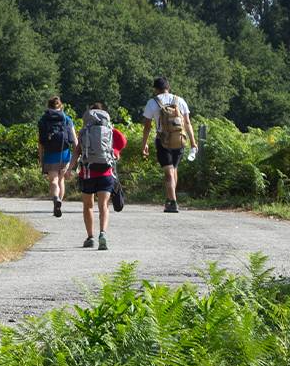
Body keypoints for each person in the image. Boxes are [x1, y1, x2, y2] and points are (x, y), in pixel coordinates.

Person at [67, 103, 126, 250]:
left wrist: (69, 168)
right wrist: (115, 152)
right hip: (106, 172)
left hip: (87, 173)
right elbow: (123, 142)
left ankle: (90, 237)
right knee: (103, 206)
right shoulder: (111, 130)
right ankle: (103, 234)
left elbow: (77, 152)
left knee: (88, 206)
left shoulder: (84, 132)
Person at [140, 76, 198, 213]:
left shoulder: (152, 103)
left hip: (163, 141)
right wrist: (193, 143)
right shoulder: (180, 101)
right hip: (179, 140)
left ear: (155, 89)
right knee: (174, 169)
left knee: (168, 172)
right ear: (168, 87)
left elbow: (147, 126)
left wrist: (144, 145)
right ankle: (169, 198)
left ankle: (173, 202)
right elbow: (187, 123)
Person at [37, 96, 76, 217]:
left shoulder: (43, 120)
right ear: (61, 106)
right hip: (64, 152)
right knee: (61, 179)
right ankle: (60, 202)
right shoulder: (67, 119)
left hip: (49, 153)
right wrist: (77, 156)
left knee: (53, 179)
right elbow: (75, 140)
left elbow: (40, 142)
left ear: (48, 107)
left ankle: (55, 198)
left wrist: (40, 157)